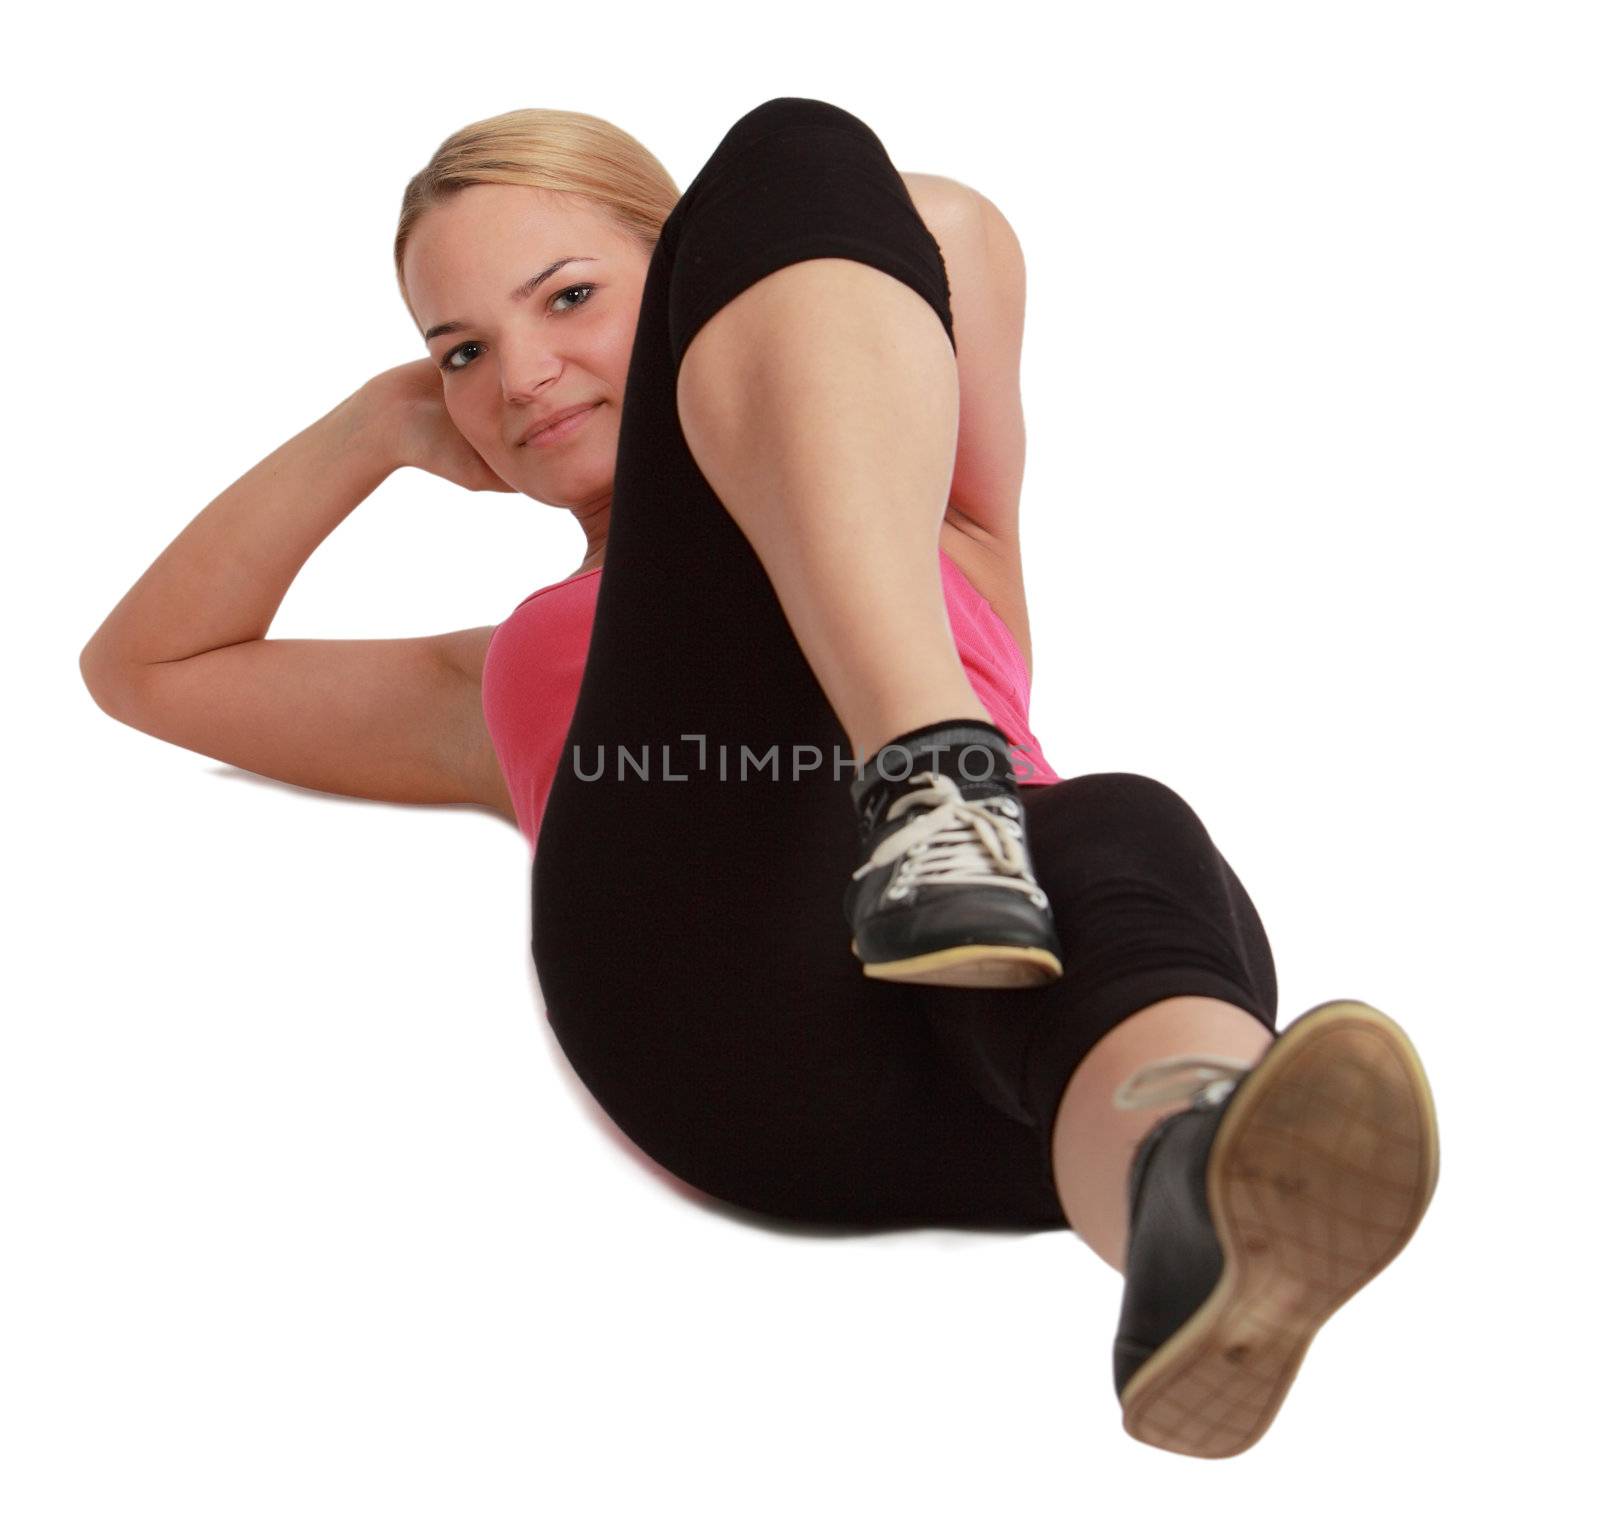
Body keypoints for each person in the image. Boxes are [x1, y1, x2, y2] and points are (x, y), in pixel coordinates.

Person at [79, 95, 1440, 1459]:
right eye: (461, 352)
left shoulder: (949, 518)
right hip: (730, 1023)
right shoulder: (501, 672)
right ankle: (932, 783)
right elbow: (148, 667)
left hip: (1011, 1071)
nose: (519, 376)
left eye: (568, 298)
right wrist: (375, 425)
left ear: (685, 288)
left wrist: (726, 285)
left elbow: (949, 227)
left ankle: (1193, 1187)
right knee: (795, 154)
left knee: (1126, 825)